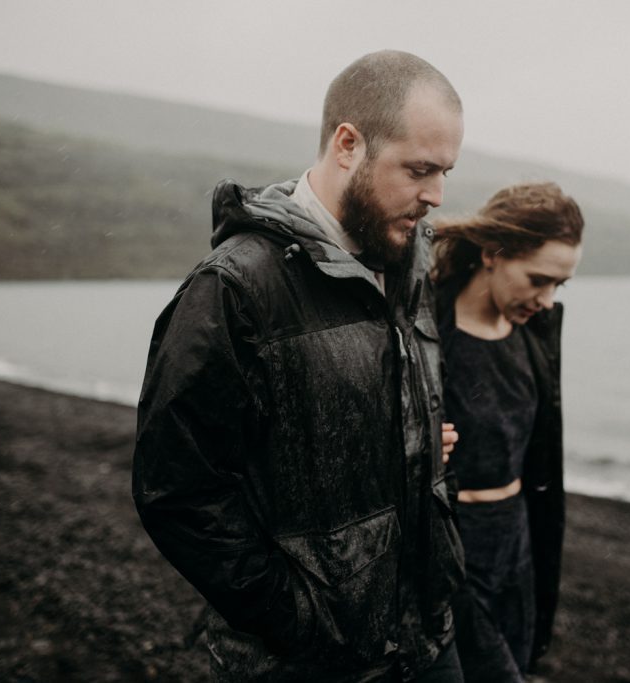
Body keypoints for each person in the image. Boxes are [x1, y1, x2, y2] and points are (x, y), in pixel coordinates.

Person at [132, 51, 466, 682]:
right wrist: (297, 619)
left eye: (445, 172)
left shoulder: (412, 259)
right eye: (419, 170)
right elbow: (179, 492)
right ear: (347, 144)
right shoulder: (233, 288)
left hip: (428, 637)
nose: (437, 196)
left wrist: (420, 446)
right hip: (309, 662)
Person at [432, 182, 584, 681]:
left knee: (519, 661)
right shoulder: (426, 327)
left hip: (519, 537)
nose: (546, 300)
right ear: (492, 252)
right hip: (451, 545)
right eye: (539, 279)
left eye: (559, 286)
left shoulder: (534, 336)